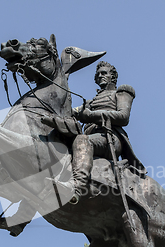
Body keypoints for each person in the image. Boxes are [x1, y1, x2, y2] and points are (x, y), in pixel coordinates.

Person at [57, 61, 144, 204]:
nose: (100, 76)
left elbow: (123, 117)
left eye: (104, 73)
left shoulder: (121, 92)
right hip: (92, 136)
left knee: (82, 140)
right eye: (97, 74)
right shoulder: (90, 102)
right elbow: (70, 113)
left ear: (113, 77)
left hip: (110, 139)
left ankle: (78, 186)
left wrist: (90, 115)